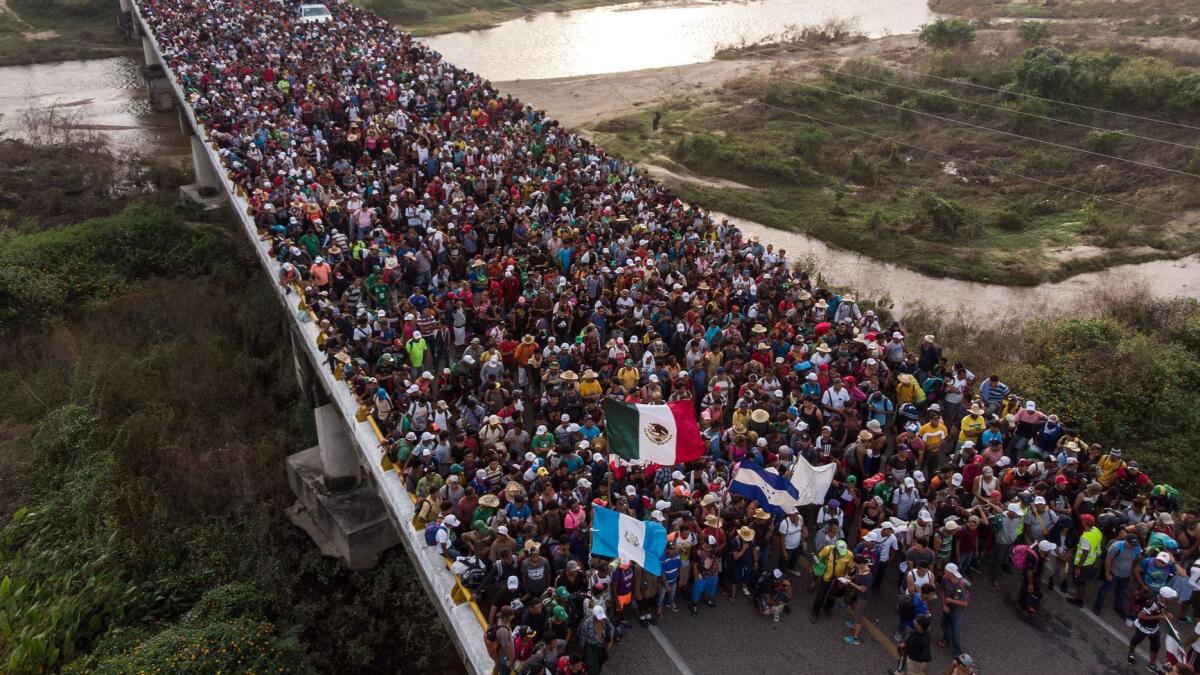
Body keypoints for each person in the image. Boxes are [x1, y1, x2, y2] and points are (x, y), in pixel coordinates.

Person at [1128, 586, 1177, 671]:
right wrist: (1159, 616)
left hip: (1153, 627)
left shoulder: (1164, 601)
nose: (1172, 598)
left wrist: (1166, 613)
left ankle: (1152, 665)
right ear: (1164, 597)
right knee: (1136, 640)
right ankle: (1130, 653)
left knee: (1156, 645)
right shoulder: (1152, 604)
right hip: (1143, 626)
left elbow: (1161, 609)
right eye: (1170, 597)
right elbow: (1140, 616)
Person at [939, 563, 970, 656]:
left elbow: (965, 603)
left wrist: (951, 600)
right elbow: (942, 591)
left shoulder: (961, 585)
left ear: (950, 573)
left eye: (946, 571)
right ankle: (946, 639)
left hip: (957, 612)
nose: (944, 572)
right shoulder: (945, 579)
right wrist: (944, 604)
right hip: (947, 608)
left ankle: (957, 652)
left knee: (956, 631)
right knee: (944, 624)